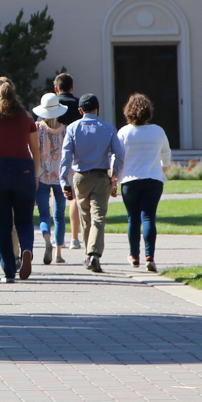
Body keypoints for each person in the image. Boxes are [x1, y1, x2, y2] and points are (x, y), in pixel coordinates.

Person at [0, 78, 37, 283]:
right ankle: (27, 248)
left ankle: (9, 272)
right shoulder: (27, 117)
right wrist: (35, 174)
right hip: (24, 170)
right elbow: (35, 149)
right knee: (24, 220)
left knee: (3, 224)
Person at [59, 93, 122, 273]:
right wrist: (114, 175)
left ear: (80, 111)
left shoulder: (72, 128)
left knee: (85, 217)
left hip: (80, 177)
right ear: (98, 109)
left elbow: (66, 157)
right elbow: (118, 154)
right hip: (101, 176)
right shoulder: (109, 129)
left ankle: (89, 254)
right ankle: (93, 254)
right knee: (98, 216)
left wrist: (64, 180)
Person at [117, 93, 173, 272]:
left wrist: (113, 178)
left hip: (130, 181)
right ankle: (150, 256)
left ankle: (134, 255)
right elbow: (166, 156)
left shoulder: (124, 132)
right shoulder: (158, 131)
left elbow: (117, 158)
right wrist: (162, 170)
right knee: (149, 217)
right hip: (153, 180)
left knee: (133, 219)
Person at [31, 92, 70, 265]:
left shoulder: (37, 128)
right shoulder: (65, 130)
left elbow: (32, 151)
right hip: (60, 177)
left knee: (44, 214)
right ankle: (59, 252)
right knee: (60, 215)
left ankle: (47, 240)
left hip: (41, 175)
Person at [51, 73, 82, 250]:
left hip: (55, 154)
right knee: (74, 197)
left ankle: (57, 237)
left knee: (57, 196)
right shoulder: (78, 105)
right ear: (71, 88)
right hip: (75, 154)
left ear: (56, 88)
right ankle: (75, 238)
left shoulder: (52, 105)